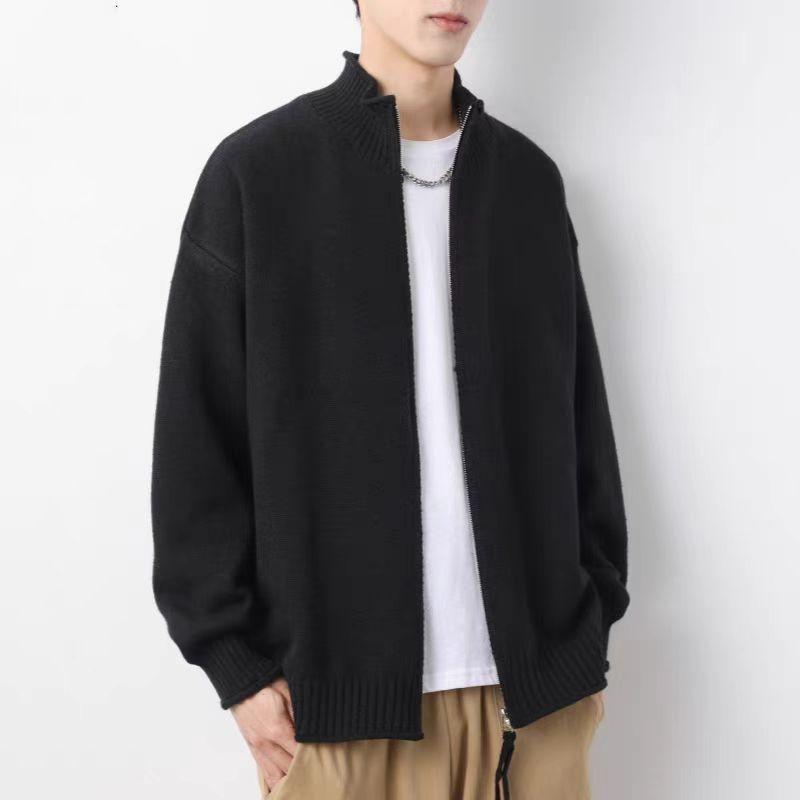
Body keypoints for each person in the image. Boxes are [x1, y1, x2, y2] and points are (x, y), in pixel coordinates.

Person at [150, 1, 630, 797]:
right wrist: (236, 668)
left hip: (539, 708)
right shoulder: (258, 177)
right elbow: (196, 450)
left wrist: (589, 620)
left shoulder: (527, 183)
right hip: (336, 717)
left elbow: (580, 424)